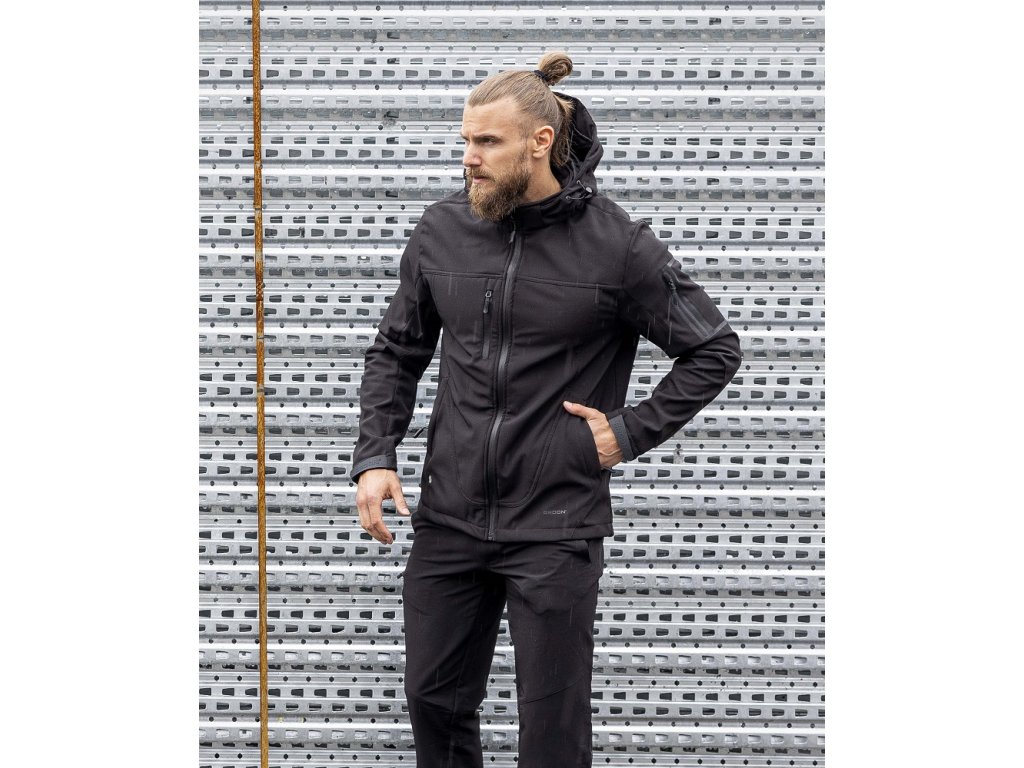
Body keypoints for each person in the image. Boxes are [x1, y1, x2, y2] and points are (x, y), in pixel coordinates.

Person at [350, 51, 742, 768]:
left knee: (552, 730)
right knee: (433, 701)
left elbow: (712, 349)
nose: (468, 158)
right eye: (465, 141)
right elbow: (396, 351)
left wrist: (626, 434)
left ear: (539, 141)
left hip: (556, 525)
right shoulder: (442, 230)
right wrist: (375, 455)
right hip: (450, 517)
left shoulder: (618, 246)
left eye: (487, 142)